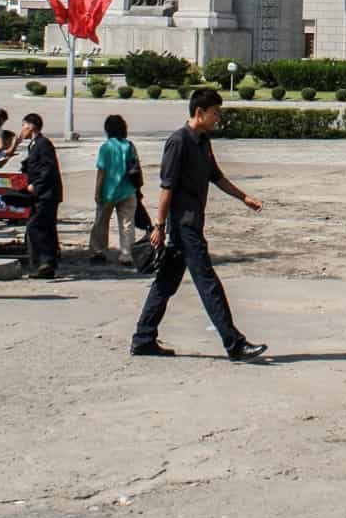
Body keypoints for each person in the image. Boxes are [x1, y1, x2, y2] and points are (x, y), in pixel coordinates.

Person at [131, 87, 267, 361]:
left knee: (166, 282)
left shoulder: (203, 142)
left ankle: (143, 338)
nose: (219, 117)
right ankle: (235, 344)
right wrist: (159, 226)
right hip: (183, 225)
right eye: (216, 113)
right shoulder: (178, 142)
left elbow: (217, 177)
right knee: (208, 282)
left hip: (192, 223)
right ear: (200, 113)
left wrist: (244, 198)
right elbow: (166, 188)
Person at [89, 114, 138, 265]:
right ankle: (126, 254)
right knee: (127, 224)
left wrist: (97, 191)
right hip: (128, 190)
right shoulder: (129, 146)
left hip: (108, 192)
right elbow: (135, 168)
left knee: (101, 223)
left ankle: (99, 251)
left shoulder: (106, 147)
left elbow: (101, 171)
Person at [20, 112, 63, 279]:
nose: (21, 130)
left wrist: (35, 185)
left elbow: (48, 168)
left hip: (47, 194)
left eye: (23, 126)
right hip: (42, 194)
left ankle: (45, 261)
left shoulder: (43, 144)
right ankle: (48, 266)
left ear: (31, 126)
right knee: (47, 228)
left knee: (35, 226)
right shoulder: (33, 145)